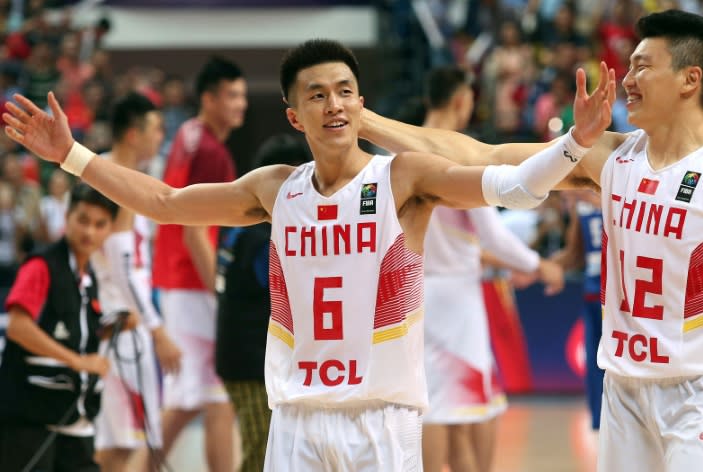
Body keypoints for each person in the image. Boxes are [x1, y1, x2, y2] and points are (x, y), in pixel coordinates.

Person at [2, 38, 614, 471]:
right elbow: (164, 202)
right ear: (296, 114)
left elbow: (509, 188)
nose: (335, 105)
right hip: (295, 419)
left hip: (381, 417)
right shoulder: (275, 188)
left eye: (346, 91)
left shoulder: (403, 177)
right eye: (318, 95)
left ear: (360, 103)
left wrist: (573, 145)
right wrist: (72, 158)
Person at [358, 9, 703, 471]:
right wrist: (365, 121)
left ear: (690, 80)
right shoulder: (611, 156)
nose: (627, 79)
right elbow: (481, 155)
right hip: (626, 387)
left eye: (642, 66)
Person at [417, 66, 565, 472]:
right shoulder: (458, 154)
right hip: (457, 296)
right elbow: (491, 234)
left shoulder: (401, 154)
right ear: (462, 100)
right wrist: (540, 266)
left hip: (415, 293)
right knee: (471, 404)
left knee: (433, 402)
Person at [151, 57, 245, 471]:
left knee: (206, 398)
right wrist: (221, 293)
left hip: (175, 278)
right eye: (232, 95)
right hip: (192, 283)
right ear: (208, 98)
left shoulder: (188, 134)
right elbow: (195, 231)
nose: (240, 104)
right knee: (207, 397)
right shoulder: (212, 153)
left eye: (243, 94)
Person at [91, 92, 182, 472]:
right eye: (156, 129)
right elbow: (123, 268)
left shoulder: (114, 175)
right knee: (123, 444)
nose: (161, 136)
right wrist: (158, 330)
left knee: (128, 443)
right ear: (133, 134)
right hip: (120, 324)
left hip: (125, 320)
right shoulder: (109, 181)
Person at [0, 183, 117, 471]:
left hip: (73, 418)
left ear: (110, 229)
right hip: (29, 420)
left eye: (100, 224)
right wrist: (77, 362)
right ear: (67, 218)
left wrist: (114, 327)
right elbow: (18, 327)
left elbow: (73, 330)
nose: (89, 232)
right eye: (83, 220)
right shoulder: (41, 266)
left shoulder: (89, 276)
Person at [215, 134, 311, 472]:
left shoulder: (243, 228)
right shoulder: (260, 236)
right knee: (262, 454)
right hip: (250, 364)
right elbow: (282, 293)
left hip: (242, 358)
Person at [551, 189, 604, 431]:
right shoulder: (580, 209)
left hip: (620, 298)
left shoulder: (620, 194)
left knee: (616, 365)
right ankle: (599, 423)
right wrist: (538, 266)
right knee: (595, 364)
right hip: (592, 295)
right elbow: (573, 254)